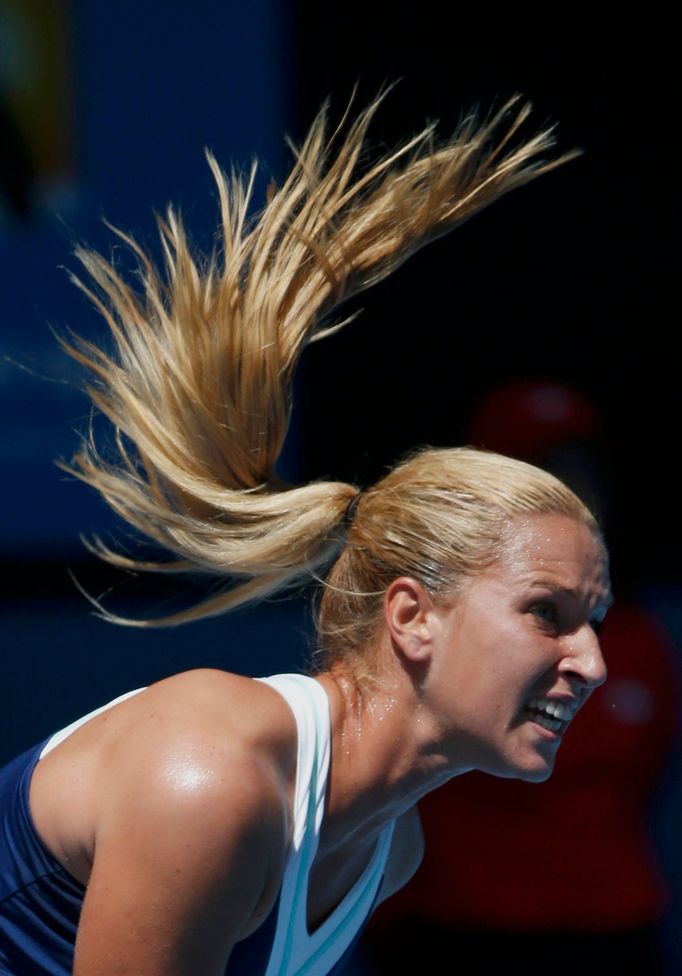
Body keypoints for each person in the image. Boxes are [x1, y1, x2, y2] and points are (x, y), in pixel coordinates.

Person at [0, 94, 611, 975]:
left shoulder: (387, 855)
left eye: (593, 617)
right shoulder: (211, 775)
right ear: (411, 616)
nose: (591, 661)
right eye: (547, 613)